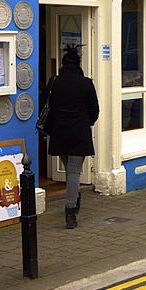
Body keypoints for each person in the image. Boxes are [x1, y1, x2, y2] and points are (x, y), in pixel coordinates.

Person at [43, 45, 99, 229]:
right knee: (73, 172)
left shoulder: (55, 82)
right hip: (79, 133)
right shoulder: (86, 83)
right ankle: (70, 211)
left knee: (70, 170)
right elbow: (95, 110)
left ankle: (74, 196)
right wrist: (85, 122)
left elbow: (45, 103)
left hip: (59, 133)